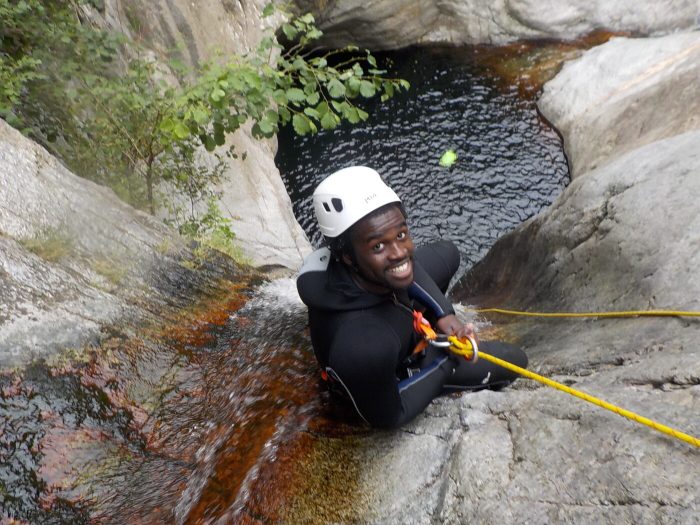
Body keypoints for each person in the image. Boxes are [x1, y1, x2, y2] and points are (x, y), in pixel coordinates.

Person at [296, 166, 528, 428]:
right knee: (516, 360)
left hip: (390, 307)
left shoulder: (356, 266)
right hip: (389, 371)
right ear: (348, 256)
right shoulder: (364, 346)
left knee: (447, 253)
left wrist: (444, 315)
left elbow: (405, 263)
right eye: (378, 245)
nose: (399, 252)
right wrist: (446, 360)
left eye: (401, 234)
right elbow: (389, 417)